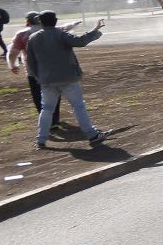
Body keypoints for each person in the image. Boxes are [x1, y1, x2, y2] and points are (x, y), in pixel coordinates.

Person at [26, 11, 107, 150]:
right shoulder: (60, 34)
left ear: (40, 22)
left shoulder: (33, 38)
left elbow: (30, 62)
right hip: (68, 78)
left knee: (46, 109)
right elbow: (80, 41)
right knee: (78, 106)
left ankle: (41, 139)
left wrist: (39, 77)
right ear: (55, 20)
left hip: (46, 80)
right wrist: (95, 30)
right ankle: (92, 135)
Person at [8, 11, 61, 132]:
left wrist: (12, 65)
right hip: (52, 68)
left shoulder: (22, 34)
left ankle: (46, 120)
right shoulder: (51, 30)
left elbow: (13, 53)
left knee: (38, 96)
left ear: (27, 21)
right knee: (55, 94)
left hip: (33, 70)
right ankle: (55, 120)